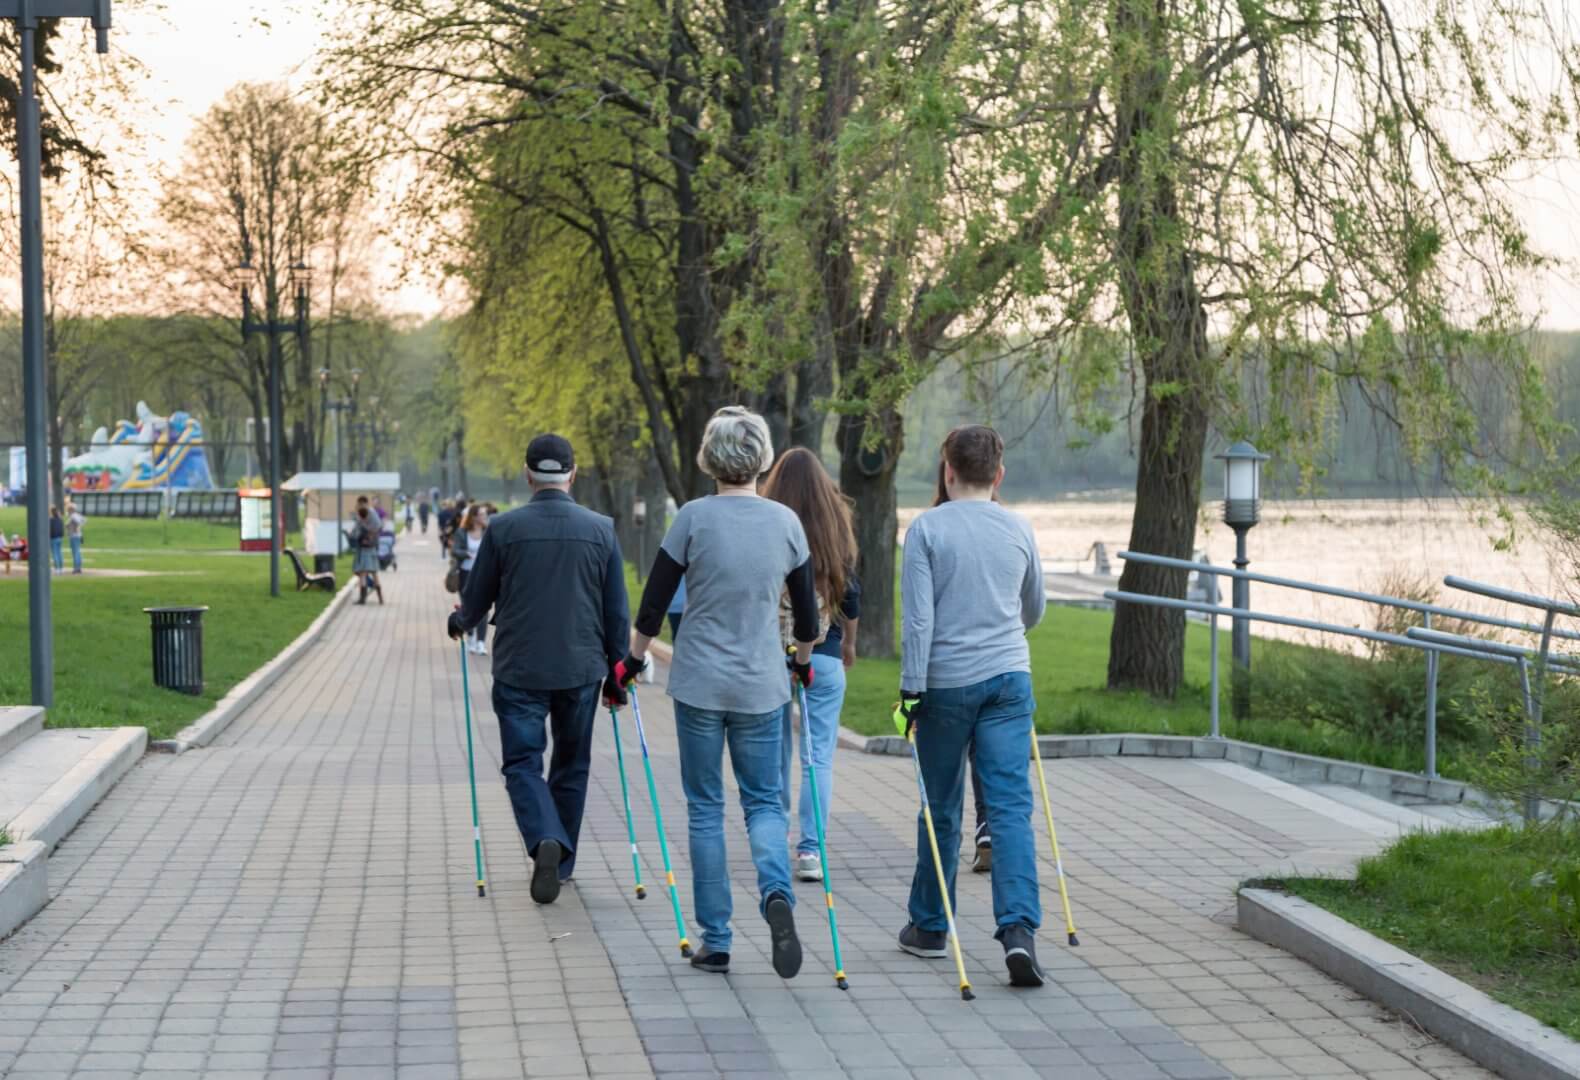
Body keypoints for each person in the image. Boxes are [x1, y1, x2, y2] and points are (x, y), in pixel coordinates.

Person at [618, 406, 818, 979]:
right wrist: (800, 666)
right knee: (763, 801)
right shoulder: (786, 523)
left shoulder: (692, 520)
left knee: (705, 808)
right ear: (760, 457)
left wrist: (631, 663)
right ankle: (776, 894)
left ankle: (717, 939)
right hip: (762, 684)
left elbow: (653, 605)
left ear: (711, 458)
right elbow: (806, 619)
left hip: (700, 681)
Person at [447, 434, 630, 906]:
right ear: (573, 473)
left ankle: (544, 837)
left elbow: (479, 593)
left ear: (528, 475)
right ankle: (561, 861)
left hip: (520, 667)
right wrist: (618, 671)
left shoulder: (504, 529)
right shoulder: (602, 529)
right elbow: (615, 611)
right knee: (572, 764)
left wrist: (461, 621)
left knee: (522, 763)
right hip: (581, 666)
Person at [895, 425, 1048, 986]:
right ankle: (1019, 932)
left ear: (947, 471)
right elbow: (1034, 608)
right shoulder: (1019, 528)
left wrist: (911, 691)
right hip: (1010, 677)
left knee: (940, 806)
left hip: (946, 682)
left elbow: (919, 622)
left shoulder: (927, 530)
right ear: (998, 475)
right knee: (1009, 808)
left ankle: (932, 926)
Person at [761, 447, 860, 883]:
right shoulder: (837, 524)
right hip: (824, 653)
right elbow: (852, 595)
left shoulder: (765, 520)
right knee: (817, 758)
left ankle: (773, 839)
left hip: (772, 654)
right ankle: (811, 851)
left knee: (776, 752)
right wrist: (849, 643)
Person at [450, 502, 491, 655]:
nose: (485, 517)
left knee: (484, 607)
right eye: (481, 515)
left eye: (485, 514)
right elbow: (455, 550)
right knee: (468, 607)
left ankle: (481, 642)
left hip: (484, 574)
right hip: (466, 573)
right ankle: (471, 637)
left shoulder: (489, 531)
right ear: (473, 517)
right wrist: (467, 554)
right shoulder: (462, 532)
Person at [349, 498, 384, 604]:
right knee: (374, 573)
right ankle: (380, 598)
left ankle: (362, 598)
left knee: (363, 573)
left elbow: (356, 532)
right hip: (372, 547)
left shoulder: (362, 515)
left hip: (364, 549)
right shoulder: (373, 514)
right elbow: (379, 527)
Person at [65, 501, 85, 575]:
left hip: (74, 536)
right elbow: (84, 520)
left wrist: (78, 527)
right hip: (77, 535)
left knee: (75, 552)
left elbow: (79, 522)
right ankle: (78, 568)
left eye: (68, 509)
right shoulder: (75, 515)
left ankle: (76, 568)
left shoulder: (73, 516)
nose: (67, 510)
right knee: (77, 552)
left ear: (71, 509)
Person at [48, 506, 64, 573]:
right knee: (59, 553)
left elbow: (50, 530)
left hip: (53, 538)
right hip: (59, 538)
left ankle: (57, 568)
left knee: (55, 553)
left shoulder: (50, 520)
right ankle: (61, 568)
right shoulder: (60, 519)